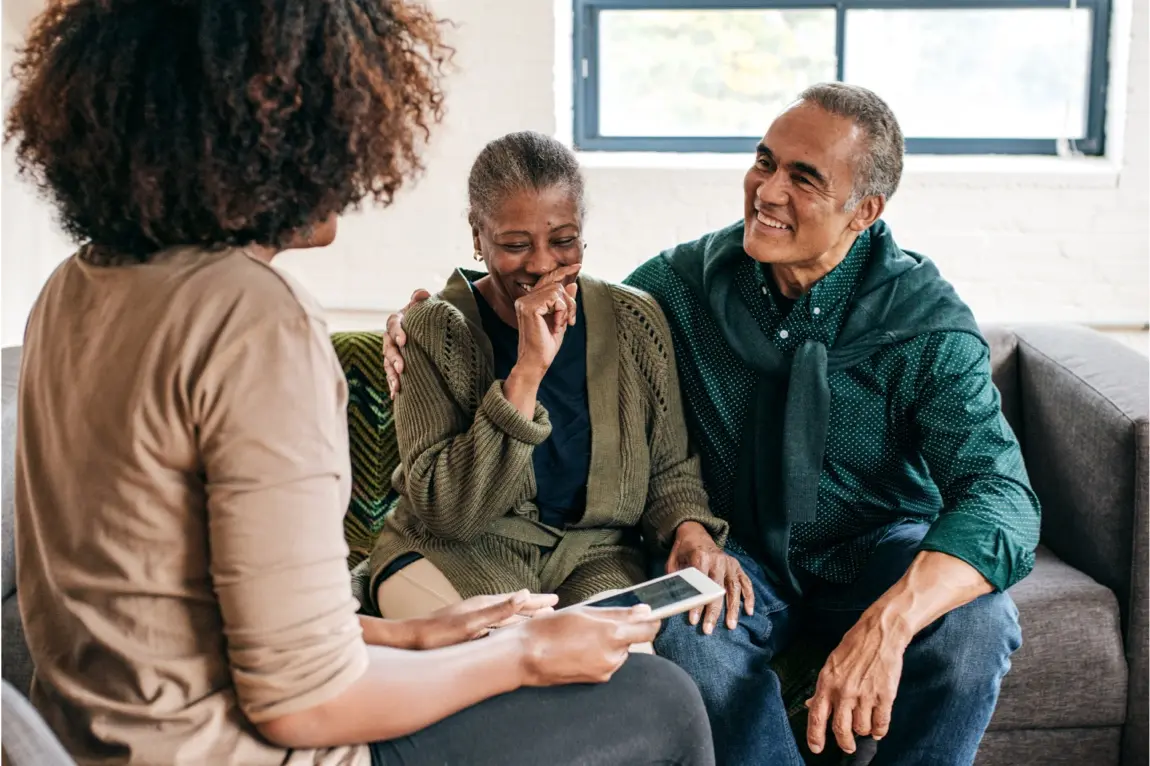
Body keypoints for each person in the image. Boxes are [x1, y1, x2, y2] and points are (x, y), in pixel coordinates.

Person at [5, 2, 715, 765]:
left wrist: (407, 635)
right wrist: (525, 653)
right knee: (663, 701)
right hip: (237, 751)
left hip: (93, 738)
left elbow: (192, 606)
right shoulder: (254, 319)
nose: (353, 159)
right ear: (261, 141)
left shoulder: (72, 286)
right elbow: (304, 702)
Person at [383, 83, 1041, 765]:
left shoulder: (924, 325)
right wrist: (432, 317)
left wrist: (891, 621)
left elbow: (1003, 499)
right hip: (739, 557)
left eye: (804, 177)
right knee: (691, 638)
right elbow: (564, 303)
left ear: (864, 211)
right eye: (765, 161)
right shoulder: (686, 283)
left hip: (875, 553)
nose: (768, 189)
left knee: (977, 627)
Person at [366, 131, 748, 633]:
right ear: (477, 234)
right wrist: (527, 370)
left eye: (563, 240)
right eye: (514, 244)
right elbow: (449, 514)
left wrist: (692, 531)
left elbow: (670, 471)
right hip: (453, 555)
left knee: (619, 670)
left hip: (592, 558)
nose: (542, 263)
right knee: (484, 666)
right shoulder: (433, 329)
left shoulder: (635, 321)